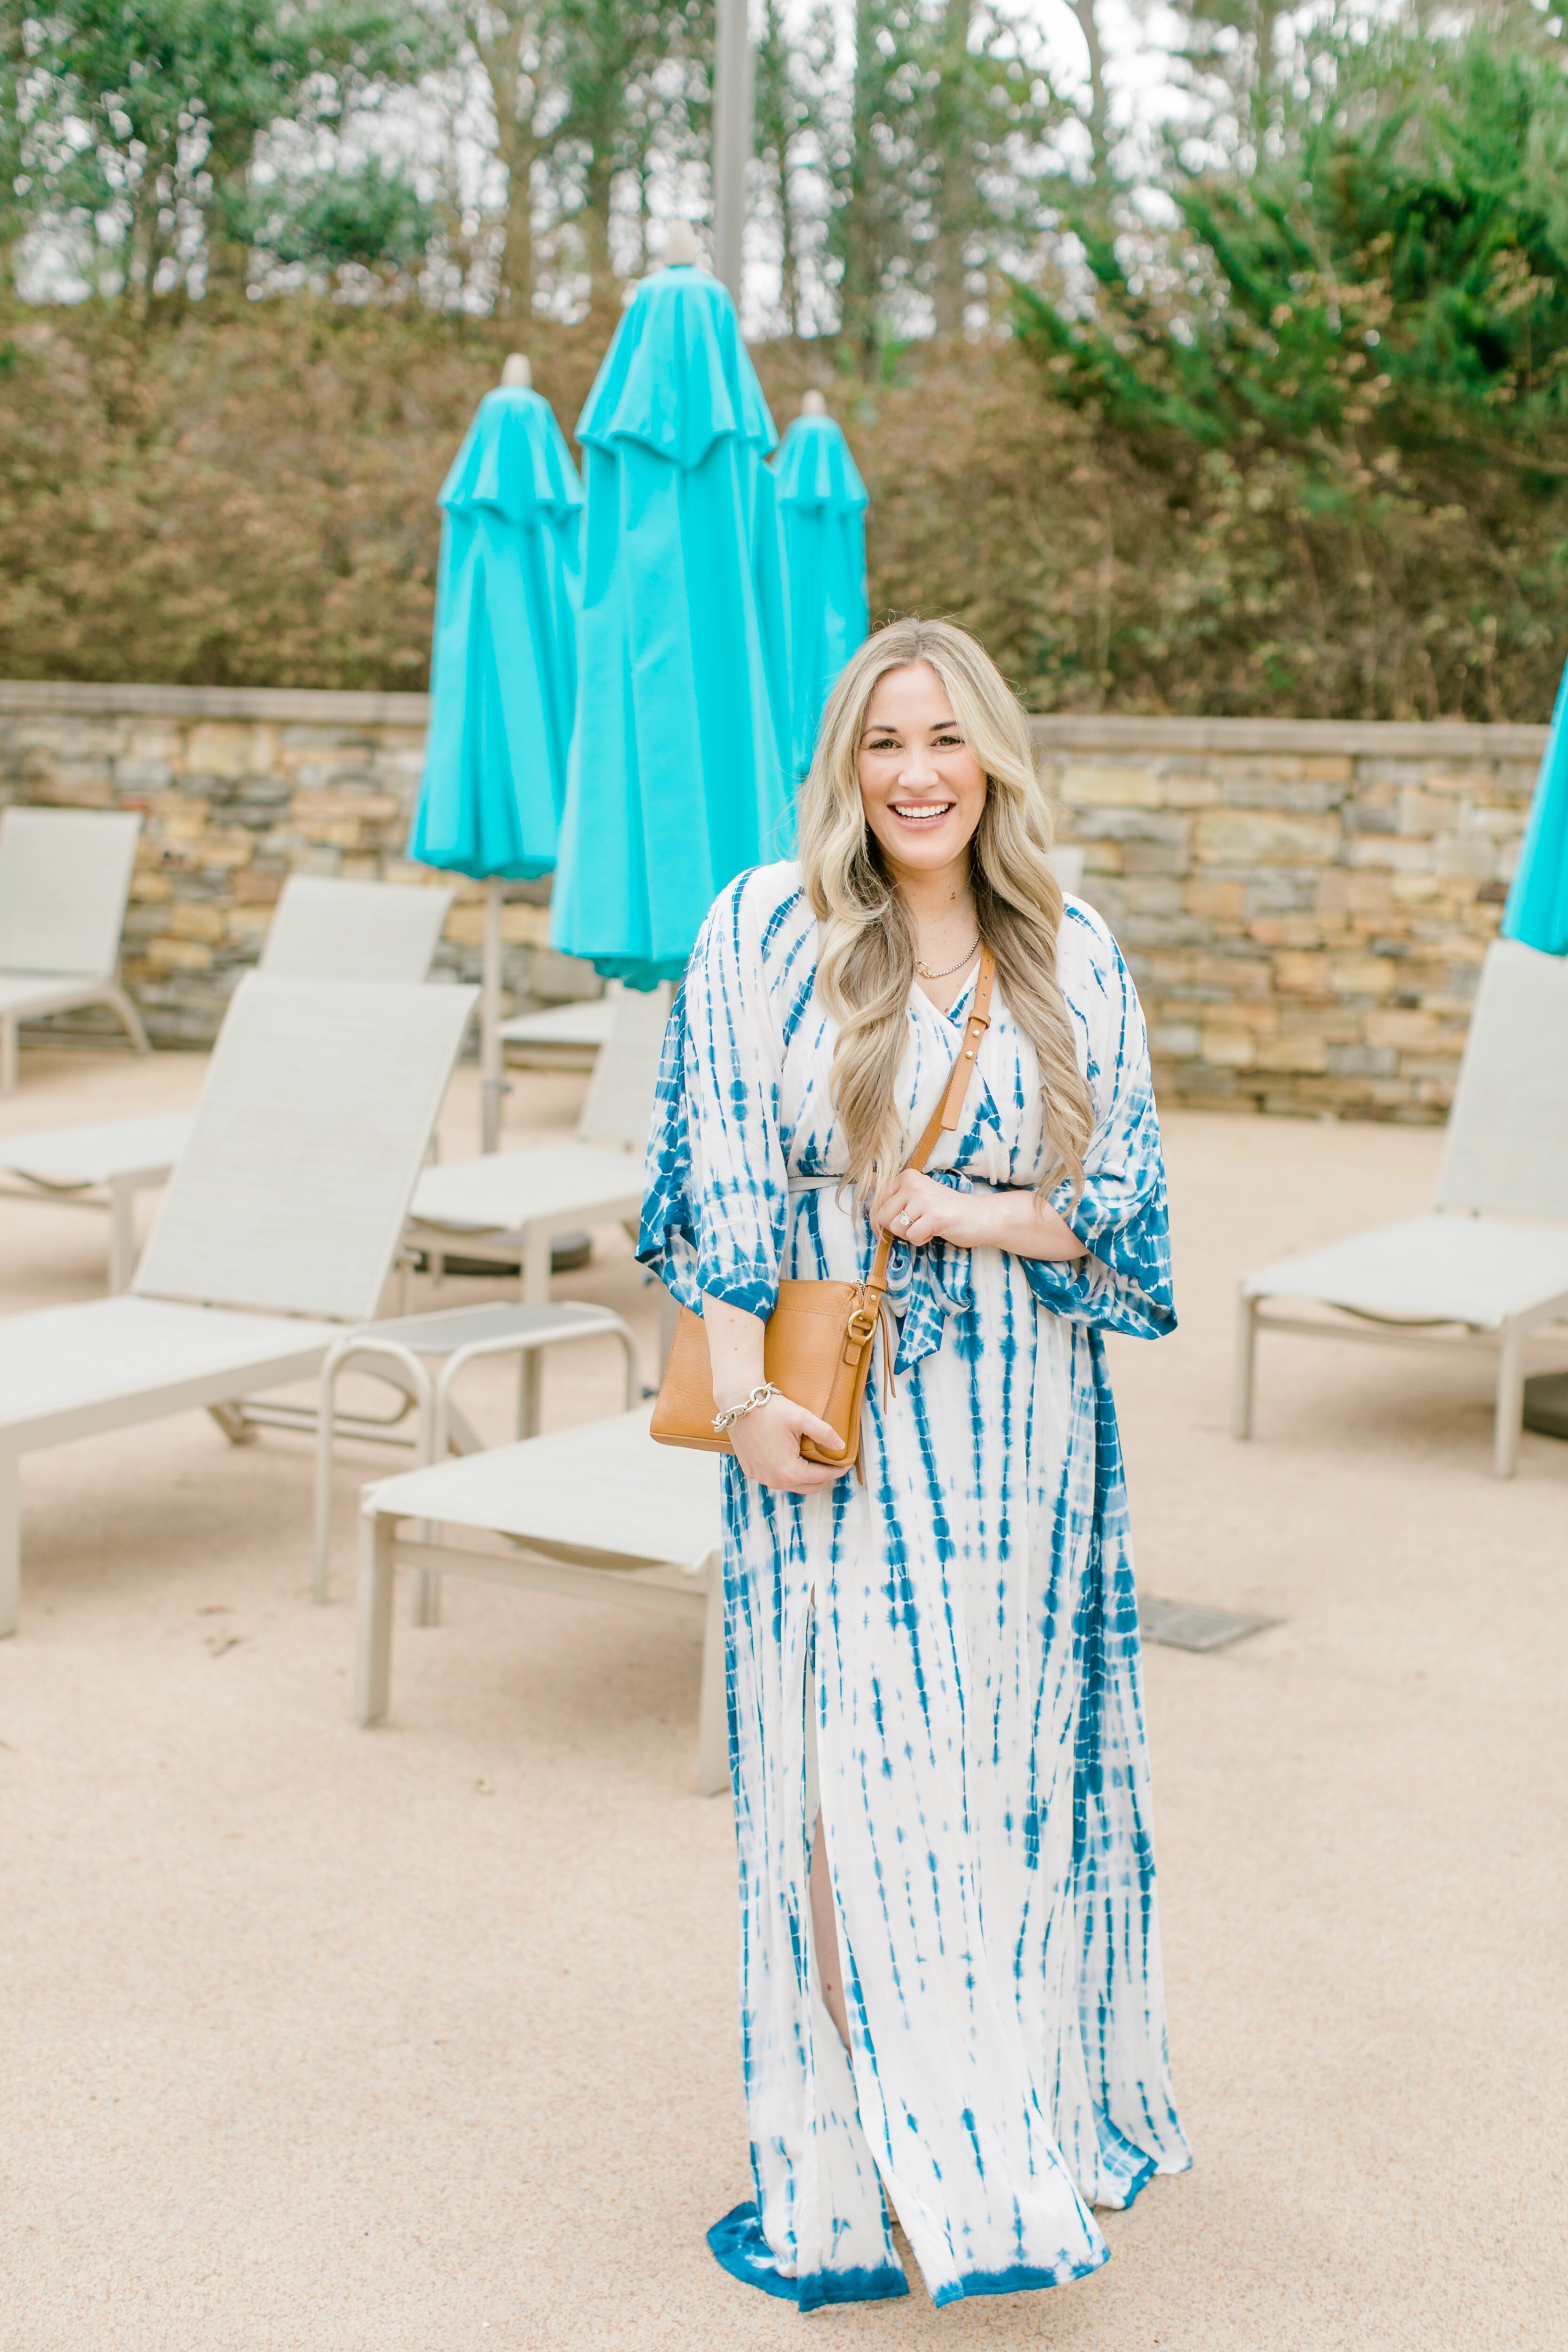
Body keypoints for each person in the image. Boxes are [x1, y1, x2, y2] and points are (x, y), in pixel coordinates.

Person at [639, 617, 1189, 2309]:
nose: (918, 773)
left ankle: (993, 2127)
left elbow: (1128, 1230)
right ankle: (873, 2143)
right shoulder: (761, 932)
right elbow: (713, 1193)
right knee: (836, 1780)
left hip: (1021, 1443)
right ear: (845, 767)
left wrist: (961, 1208)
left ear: (994, 761)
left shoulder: (1073, 954)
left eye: (947, 739)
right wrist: (740, 1408)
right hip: (827, 1431)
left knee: (991, 1790)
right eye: (885, 743)